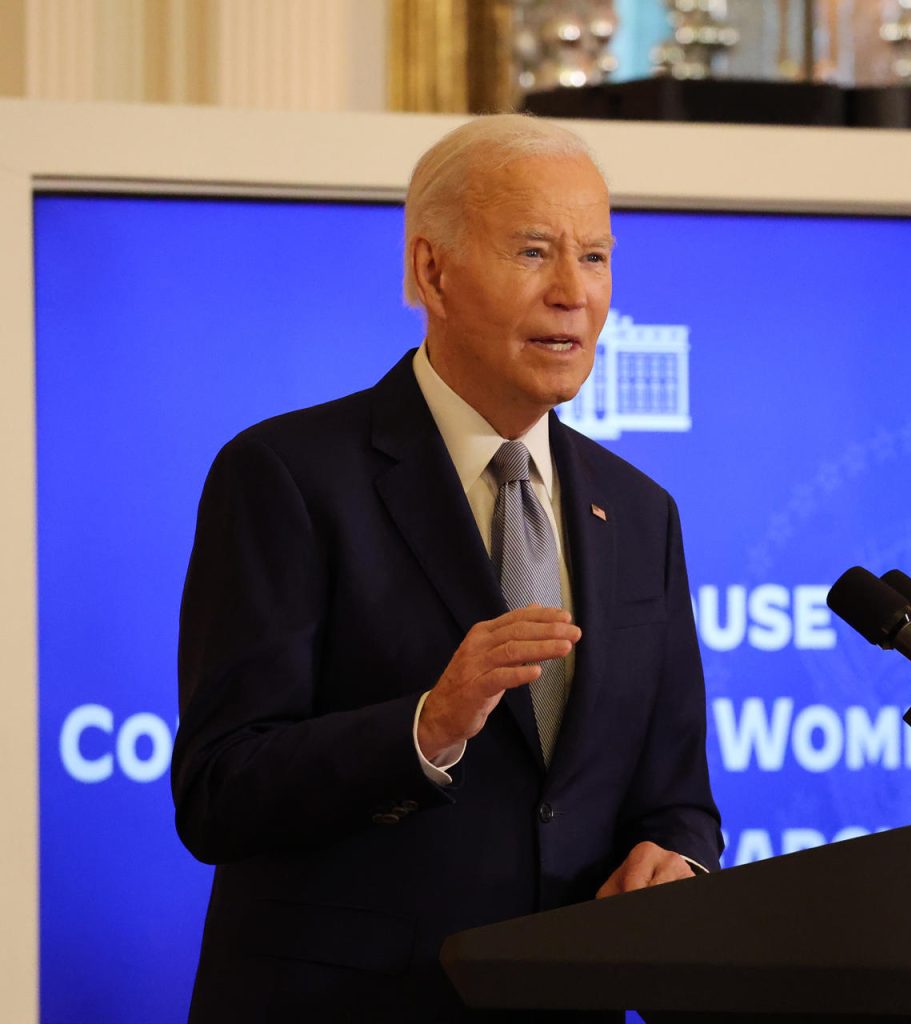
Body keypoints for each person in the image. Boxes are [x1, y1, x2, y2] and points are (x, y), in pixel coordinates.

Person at [170, 114, 722, 1022]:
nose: (572, 294)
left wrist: (679, 859)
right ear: (432, 270)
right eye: (535, 251)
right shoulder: (288, 476)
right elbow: (218, 791)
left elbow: (677, 795)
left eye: (594, 257)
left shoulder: (640, 511)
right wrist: (426, 727)